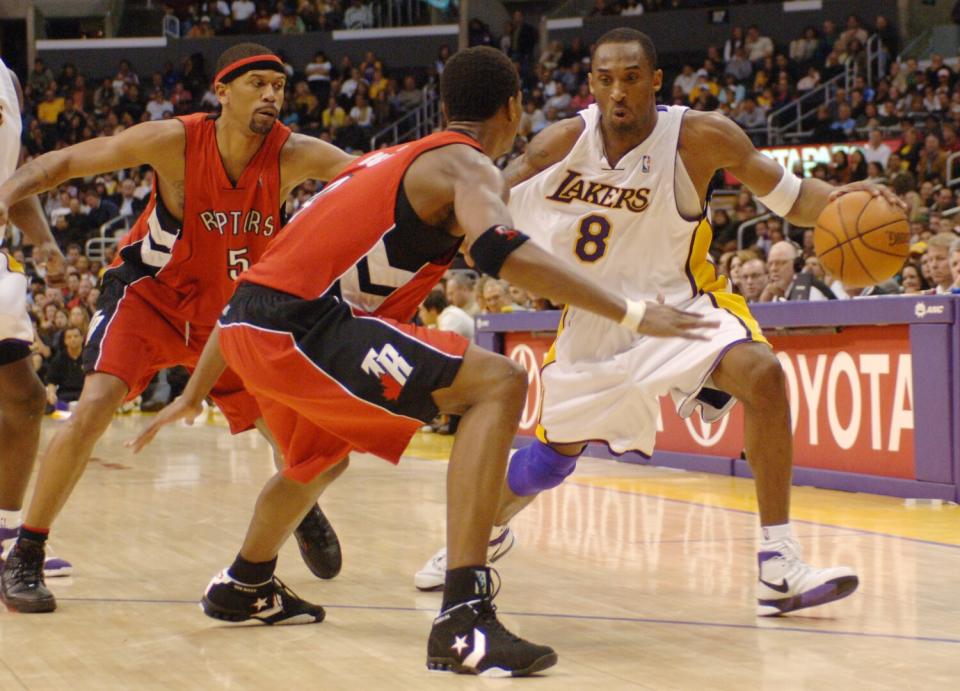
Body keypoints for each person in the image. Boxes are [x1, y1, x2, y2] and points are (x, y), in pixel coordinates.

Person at [129, 46, 712, 676]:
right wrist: (631, 312)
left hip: (254, 327)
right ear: (513, 109)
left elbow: (254, 286)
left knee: (317, 460)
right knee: (499, 382)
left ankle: (245, 582)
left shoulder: (379, 164)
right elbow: (497, 248)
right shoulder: (467, 165)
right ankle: (464, 617)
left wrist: (199, 388)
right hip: (305, 326)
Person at [416, 29, 904, 617]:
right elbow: (484, 199)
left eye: (629, 77)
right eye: (605, 79)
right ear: (591, 84)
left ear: (654, 81)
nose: (617, 92)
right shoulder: (558, 145)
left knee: (764, 374)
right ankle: (475, 538)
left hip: (686, 306)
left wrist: (851, 199)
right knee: (549, 461)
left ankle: (779, 561)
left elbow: (797, 200)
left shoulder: (702, 137)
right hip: (598, 317)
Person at [0, 43, 354, 614]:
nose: (271, 95)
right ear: (222, 90)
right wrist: (5, 195)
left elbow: (382, 180)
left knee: (314, 450)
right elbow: (60, 163)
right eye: (257, 83)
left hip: (229, 317)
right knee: (92, 408)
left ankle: (297, 502)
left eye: (279, 86)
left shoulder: (295, 154)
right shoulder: (176, 141)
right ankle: (26, 553)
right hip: (150, 300)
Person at [0, 59, 73, 579]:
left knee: (25, 398)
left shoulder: (7, 79)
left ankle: (6, 533)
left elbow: (13, 180)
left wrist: (44, 243)